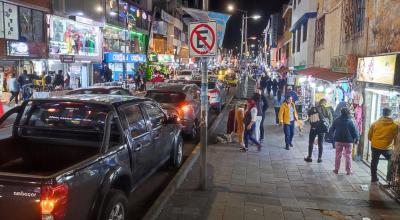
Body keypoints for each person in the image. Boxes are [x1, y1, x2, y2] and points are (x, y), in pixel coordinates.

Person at [368, 108, 398, 184]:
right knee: (391, 160)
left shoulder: (375, 123)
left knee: (374, 162)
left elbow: (369, 136)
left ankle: (374, 178)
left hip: (375, 146)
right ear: (390, 114)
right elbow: (396, 139)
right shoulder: (395, 125)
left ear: (382, 113)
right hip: (387, 148)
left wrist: (376, 142)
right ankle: (389, 178)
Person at [330, 108, 359, 175]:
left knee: (338, 155)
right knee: (348, 156)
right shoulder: (350, 121)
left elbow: (332, 129)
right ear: (348, 113)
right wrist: (356, 139)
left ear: (341, 113)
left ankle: (336, 170)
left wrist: (333, 136)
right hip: (348, 141)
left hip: (338, 140)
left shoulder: (336, 120)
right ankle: (348, 171)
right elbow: (354, 131)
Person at [304, 99, 333, 163]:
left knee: (311, 142)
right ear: (325, 103)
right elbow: (331, 119)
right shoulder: (327, 110)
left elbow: (308, 118)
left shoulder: (313, 109)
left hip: (313, 128)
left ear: (319, 103)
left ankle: (309, 157)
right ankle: (319, 158)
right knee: (320, 143)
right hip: (321, 129)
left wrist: (312, 124)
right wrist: (328, 127)